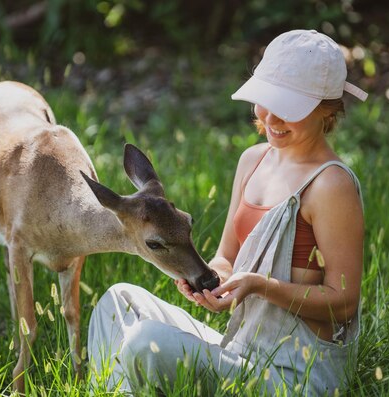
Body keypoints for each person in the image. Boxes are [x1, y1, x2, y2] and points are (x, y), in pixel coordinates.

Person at [88, 29, 368, 396]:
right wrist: (215, 284)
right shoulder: (252, 161)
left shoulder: (331, 185)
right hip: (238, 350)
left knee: (145, 341)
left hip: (294, 376)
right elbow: (227, 258)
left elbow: (343, 304)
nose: (270, 118)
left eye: (288, 108)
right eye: (265, 102)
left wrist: (259, 287)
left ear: (326, 110)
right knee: (118, 301)